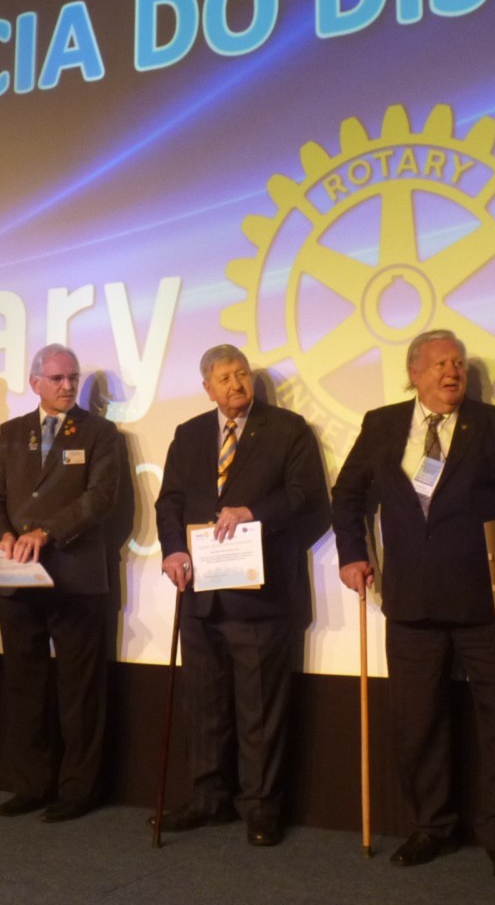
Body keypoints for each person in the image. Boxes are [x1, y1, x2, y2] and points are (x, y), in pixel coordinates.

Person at [331, 328, 495, 888]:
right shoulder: (382, 425)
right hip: (410, 603)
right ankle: (432, 826)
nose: (452, 372)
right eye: (440, 364)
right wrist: (352, 554)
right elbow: (347, 494)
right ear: (414, 373)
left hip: (490, 603)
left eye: (458, 363)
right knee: (417, 722)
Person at [153, 344, 328, 847]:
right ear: (207, 388)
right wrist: (172, 550)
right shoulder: (189, 434)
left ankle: (261, 807)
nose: (236, 384)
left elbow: (308, 498)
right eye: (225, 378)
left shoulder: (287, 429)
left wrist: (254, 513)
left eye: (242, 374)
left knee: (260, 710)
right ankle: (208, 798)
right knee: (204, 705)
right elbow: (170, 502)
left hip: (261, 595)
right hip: (201, 594)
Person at [0, 344, 121, 823]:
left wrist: (46, 532)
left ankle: (78, 790)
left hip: (75, 577)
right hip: (18, 577)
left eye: (73, 378)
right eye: (58, 378)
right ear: (35, 382)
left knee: (79, 691)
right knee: (26, 687)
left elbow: (100, 497)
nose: (67, 386)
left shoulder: (100, 432)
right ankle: (31, 784)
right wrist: (3, 535)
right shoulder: (11, 432)